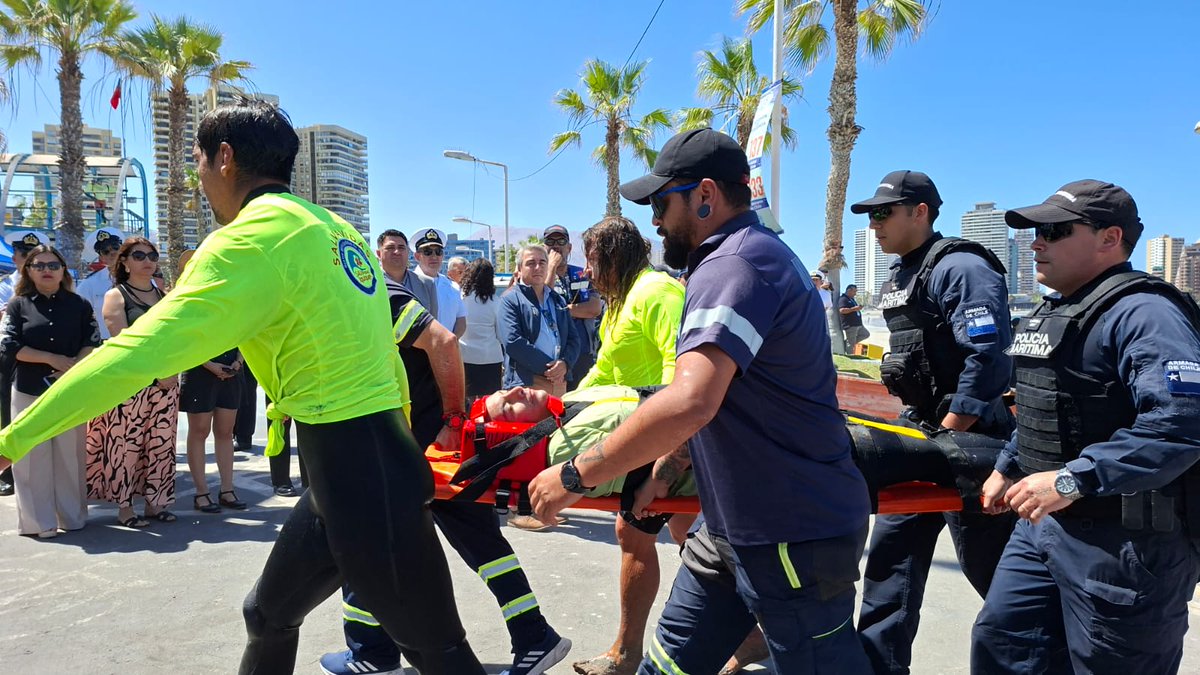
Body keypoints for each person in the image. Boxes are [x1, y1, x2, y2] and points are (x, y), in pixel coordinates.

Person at [0, 101, 485, 673]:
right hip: (363, 463)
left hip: (360, 474)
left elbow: (131, 357)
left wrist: (13, 440)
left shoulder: (247, 242)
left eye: (199, 163)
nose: (199, 178)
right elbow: (384, 353)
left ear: (224, 158)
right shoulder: (334, 228)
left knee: (441, 655)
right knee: (267, 614)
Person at [528, 128, 872, 674]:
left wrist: (576, 474)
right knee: (665, 667)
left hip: (791, 534)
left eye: (663, 203)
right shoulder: (743, 258)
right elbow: (720, 395)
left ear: (705, 196)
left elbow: (690, 400)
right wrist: (666, 470)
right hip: (731, 528)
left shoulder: (733, 264)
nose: (656, 221)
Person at [971, 180, 1200, 673]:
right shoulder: (1056, 311)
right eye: (1036, 231)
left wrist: (1073, 479)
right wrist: (1009, 465)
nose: (1036, 242)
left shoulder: (1145, 313)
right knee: (1004, 646)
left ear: (1108, 238)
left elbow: (1182, 423)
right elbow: (1046, 401)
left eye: (1053, 230)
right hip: (1044, 526)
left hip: (1124, 543)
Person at [320, 270, 570, 675]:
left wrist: (453, 419)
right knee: (479, 545)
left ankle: (372, 652)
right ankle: (533, 634)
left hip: (431, 445)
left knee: (368, 539)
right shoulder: (362, 295)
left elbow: (444, 341)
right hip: (432, 445)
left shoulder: (371, 296)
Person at [850, 170, 1016, 675]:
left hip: (970, 439)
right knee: (890, 567)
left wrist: (952, 428)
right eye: (870, 215)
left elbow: (987, 358)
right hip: (921, 433)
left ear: (920, 211)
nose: (875, 225)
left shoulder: (961, 267)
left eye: (884, 213)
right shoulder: (902, 275)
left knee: (998, 577)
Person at [570, 215, 688, 675]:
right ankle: (753, 631)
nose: (588, 272)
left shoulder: (657, 292)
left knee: (635, 532)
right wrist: (561, 410)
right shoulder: (619, 302)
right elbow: (604, 371)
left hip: (659, 439)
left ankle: (625, 653)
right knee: (691, 536)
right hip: (636, 432)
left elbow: (679, 374)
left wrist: (664, 463)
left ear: (616, 256)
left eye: (594, 261)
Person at [0, 245, 99, 537]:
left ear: (63, 271)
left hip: (69, 389)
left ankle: (72, 517)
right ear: (28, 271)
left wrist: (71, 367)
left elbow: (91, 341)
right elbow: (10, 346)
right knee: (31, 457)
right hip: (30, 389)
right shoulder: (18, 305)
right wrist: (51, 359)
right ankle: (37, 522)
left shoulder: (79, 304)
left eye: (53, 265)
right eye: (39, 265)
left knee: (70, 455)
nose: (47, 270)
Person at [86, 236, 181, 528]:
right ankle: (125, 507)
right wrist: (156, 372)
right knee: (126, 445)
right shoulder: (116, 296)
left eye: (152, 256)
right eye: (139, 256)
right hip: (132, 383)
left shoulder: (165, 296)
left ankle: (157, 502)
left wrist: (172, 370)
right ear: (124, 262)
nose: (148, 261)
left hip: (166, 384)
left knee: (161, 444)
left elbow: (175, 339)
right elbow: (124, 342)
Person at [0, 230, 48, 498]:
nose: (30, 259)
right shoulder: (6, 286)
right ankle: (8, 475)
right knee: (10, 416)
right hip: (11, 357)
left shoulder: (51, 284)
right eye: (25, 254)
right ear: (17, 257)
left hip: (48, 357)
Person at [500, 245, 580, 398]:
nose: (538, 267)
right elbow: (513, 342)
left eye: (542, 262)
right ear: (519, 268)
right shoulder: (510, 300)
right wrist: (550, 368)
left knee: (558, 422)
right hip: (527, 383)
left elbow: (574, 339)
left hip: (558, 381)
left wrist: (565, 364)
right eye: (531, 263)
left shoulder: (558, 300)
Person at [181, 346, 249, 513]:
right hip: (200, 370)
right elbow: (188, 337)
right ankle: (201, 493)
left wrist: (238, 361)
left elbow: (244, 334)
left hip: (232, 372)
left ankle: (227, 489)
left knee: (225, 431)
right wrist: (209, 364)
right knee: (199, 431)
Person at [543, 225, 602, 388]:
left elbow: (594, 308)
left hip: (583, 352)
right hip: (553, 356)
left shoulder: (581, 274)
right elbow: (545, 305)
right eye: (550, 241)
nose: (556, 245)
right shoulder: (538, 277)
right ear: (544, 247)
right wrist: (551, 268)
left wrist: (562, 311)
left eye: (561, 241)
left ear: (569, 248)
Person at [459, 258, 504, 400]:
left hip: (466, 356)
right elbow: (501, 335)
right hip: (491, 357)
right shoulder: (496, 302)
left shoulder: (460, 298)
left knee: (468, 403)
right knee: (490, 403)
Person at [411, 228, 467, 336]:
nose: (434, 256)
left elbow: (461, 320)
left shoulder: (453, 287)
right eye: (428, 252)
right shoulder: (408, 284)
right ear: (417, 256)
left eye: (438, 252)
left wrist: (450, 343)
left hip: (448, 349)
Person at [75, 226, 123, 340]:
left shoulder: (142, 279)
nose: (112, 252)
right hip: (106, 344)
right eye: (105, 251)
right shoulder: (89, 285)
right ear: (101, 257)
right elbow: (79, 319)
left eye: (115, 247)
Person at [838, 284, 869, 352]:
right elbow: (842, 310)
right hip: (850, 325)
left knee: (866, 334)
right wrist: (854, 309)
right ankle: (850, 355)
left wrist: (858, 308)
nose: (855, 294)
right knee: (851, 344)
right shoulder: (843, 299)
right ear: (849, 290)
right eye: (854, 291)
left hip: (858, 324)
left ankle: (846, 343)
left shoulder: (851, 299)